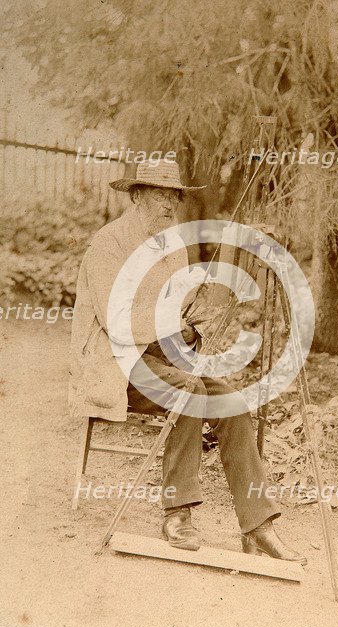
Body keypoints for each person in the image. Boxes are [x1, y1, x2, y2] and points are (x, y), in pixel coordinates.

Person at [69, 158, 306, 564]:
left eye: (175, 197)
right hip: (115, 363)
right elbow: (117, 322)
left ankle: (258, 526)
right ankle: (177, 515)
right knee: (188, 389)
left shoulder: (172, 249)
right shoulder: (108, 245)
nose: (169, 205)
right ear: (137, 195)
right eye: (160, 195)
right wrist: (175, 325)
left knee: (231, 398)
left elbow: (182, 319)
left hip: (162, 360)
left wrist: (194, 327)